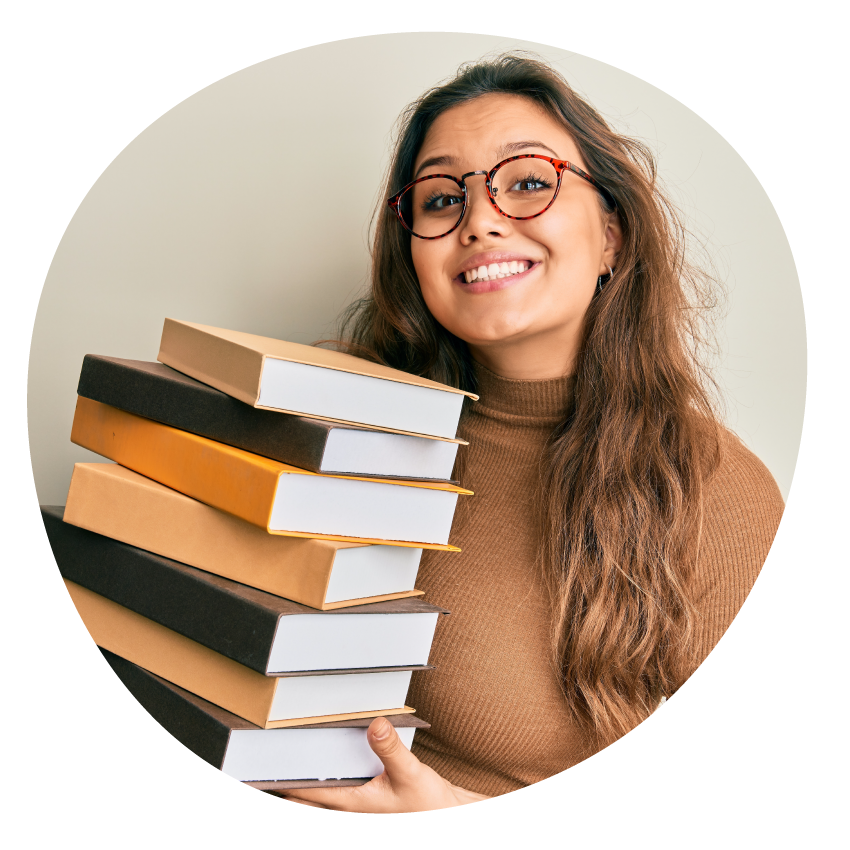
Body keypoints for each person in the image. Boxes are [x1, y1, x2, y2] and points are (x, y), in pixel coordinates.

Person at [279, 53, 785, 811]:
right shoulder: (331, 411)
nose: (479, 220)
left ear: (611, 235)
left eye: (526, 182)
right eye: (441, 198)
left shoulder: (711, 491)